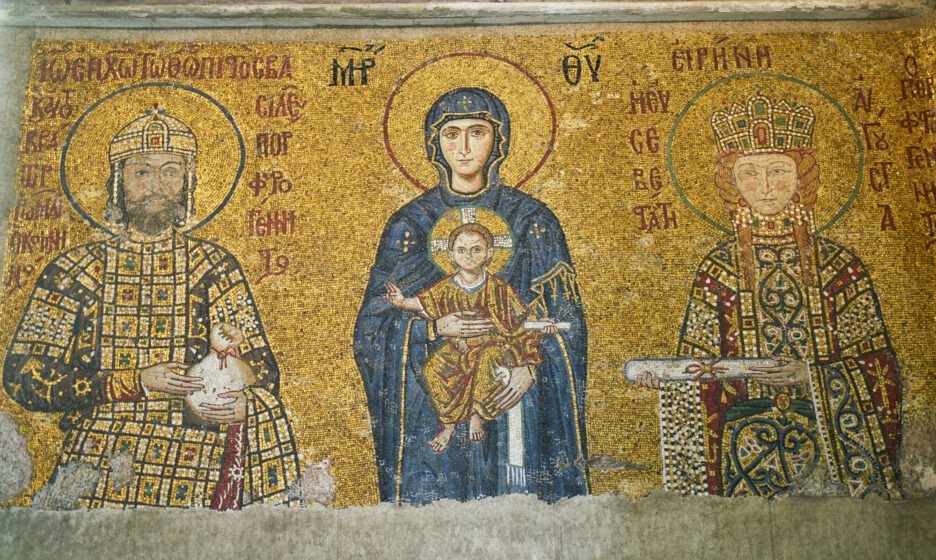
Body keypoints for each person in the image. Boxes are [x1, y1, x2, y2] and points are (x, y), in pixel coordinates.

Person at [3, 108, 300, 509]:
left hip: (198, 460)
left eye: (170, 171)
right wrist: (132, 381)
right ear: (118, 182)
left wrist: (243, 400)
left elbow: (262, 368)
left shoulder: (214, 268)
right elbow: (23, 374)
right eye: (141, 172)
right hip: (97, 461)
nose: (156, 185)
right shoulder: (75, 271)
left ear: (187, 181)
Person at [638, 93, 900, 498]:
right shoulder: (718, 270)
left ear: (801, 176)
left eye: (778, 171)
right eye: (749, 174)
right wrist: (671, 383)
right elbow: (699, 365)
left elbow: (880, 369)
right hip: (743, 457)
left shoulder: (839, 268)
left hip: (828, 451)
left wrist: (810, 375)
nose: (763, 187)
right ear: (731, 182)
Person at [355, 87, 589, 504]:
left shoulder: (532, 221)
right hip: (433, 400)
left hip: (515, 392)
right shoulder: (410, 224)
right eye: (451, 134)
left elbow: (566, 324)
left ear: (498, 140)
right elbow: (371, 331)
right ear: (435, 144)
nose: (463, 147)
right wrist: (431, 329)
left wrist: (531, 367)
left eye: (477, 132)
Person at [384, 222, 557, 453]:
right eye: (461, 250)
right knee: (434, 368)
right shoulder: (446, 287)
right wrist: (402, 302)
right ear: (451, 255)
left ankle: (478, 414)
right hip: (459, 349)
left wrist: (540, 323)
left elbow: (521, 317)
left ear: (489, 253)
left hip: (494, 345)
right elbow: (423, 302)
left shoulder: (499, 288)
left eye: (476, 249)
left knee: (488, 361)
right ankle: (448, 425)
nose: (469, 255)